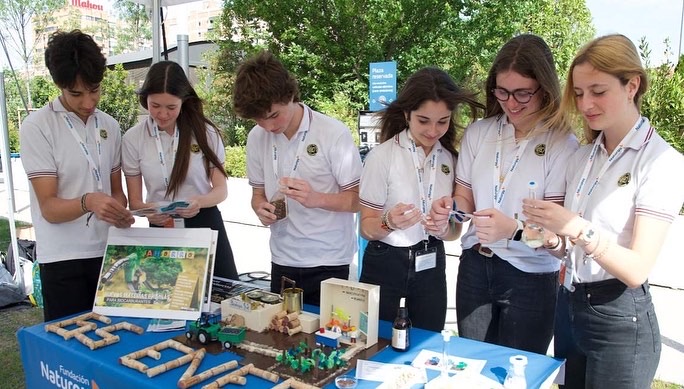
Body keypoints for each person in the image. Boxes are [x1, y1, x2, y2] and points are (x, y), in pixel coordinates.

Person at [522, 34, 684, 389]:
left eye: (598, 91)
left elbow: (637, 269)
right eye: (579, 94)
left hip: (620, 318)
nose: (586, 104)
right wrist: (551, 240)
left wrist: (576, 227)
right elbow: (573, 250)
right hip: (570, 308)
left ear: (632, 85)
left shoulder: (661, 162)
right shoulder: (583, 157)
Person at [430, 34, 578, 353]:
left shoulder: (562, 145)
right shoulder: (479, 133)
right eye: (503, 91)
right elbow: (465, 200)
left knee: (517, 373)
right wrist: (450, 211)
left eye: (523, 93)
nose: (511, 103)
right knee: (471, 367)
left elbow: (555, 242)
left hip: (531, 277)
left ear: (545, 88)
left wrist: (513, 232)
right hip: (475, 267)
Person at [20, 30, 134, 321]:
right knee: (71, 351)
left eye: (94, 89)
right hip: (63, 259)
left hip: (110, 254)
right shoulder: (38, 126)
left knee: (117, 342)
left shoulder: (108, 124)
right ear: (59, 85)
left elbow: (115, 190)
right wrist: (89, 201)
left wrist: (119, 211)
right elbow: (49, 208)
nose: (88, 102)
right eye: (76, 93)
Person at [232, 51, 362, 306]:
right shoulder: (256, 138)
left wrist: (316, 198)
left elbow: (358, 200)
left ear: (290, 95)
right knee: (284, 336)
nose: (268, 126)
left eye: (273, 115)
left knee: (329, 341)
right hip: (283, 259)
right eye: (258, 119)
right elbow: (257, 194)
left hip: (329, 260)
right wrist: (260, 209)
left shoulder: (332, 133)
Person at [358, 67, 483, 332]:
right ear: (407, 114)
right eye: (423, 120)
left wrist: (444, 227)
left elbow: (454, 230)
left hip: (431, 260)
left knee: (429, 343)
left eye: (443, 121)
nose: (433, 130)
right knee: (376, 342)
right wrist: (389, 221)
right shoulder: (382, 157)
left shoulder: (450, 159)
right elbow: (366, 228)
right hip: (385, 261)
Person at [122, 60, 239, 280]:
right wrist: (149, 212)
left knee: (221, 296)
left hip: (204, 222)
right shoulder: (132, 139)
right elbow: (135, 202)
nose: (162, 114)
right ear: (144, 99)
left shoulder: (205, 133)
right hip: (161, 226)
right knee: (166, 295)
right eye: (155, 106)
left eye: (171, 107)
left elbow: (221, 190)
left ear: (184, 102)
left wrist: (200, 202)